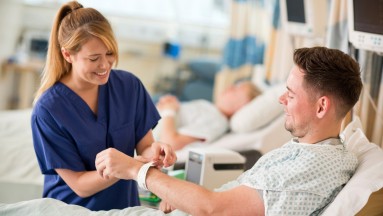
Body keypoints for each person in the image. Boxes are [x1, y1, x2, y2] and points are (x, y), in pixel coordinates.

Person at [95, 46, 363, 215]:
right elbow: (223, 201)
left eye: (291, 95)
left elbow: (213, 209)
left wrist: (136, 170)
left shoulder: (314, 166)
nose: (281, 99)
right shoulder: (302, 149)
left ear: (321, 107)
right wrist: (183, 197)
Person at [31, 1, 176, 211]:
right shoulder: (48, 110)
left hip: (125, 209)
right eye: (94, 58)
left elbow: (144, 146)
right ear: (67, 55)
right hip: (71, 210)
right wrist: (131, 168)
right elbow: (80, 185)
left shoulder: (129, 86)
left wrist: (155, 151)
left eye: (110, 53)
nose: (105, 65)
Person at [154, 81, 261, 150]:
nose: (231, 87)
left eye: (238, 89)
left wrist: (168, 111)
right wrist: (168, 104)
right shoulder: (211, 109)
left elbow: (170, 143)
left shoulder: (217, 121)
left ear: (242, 105)